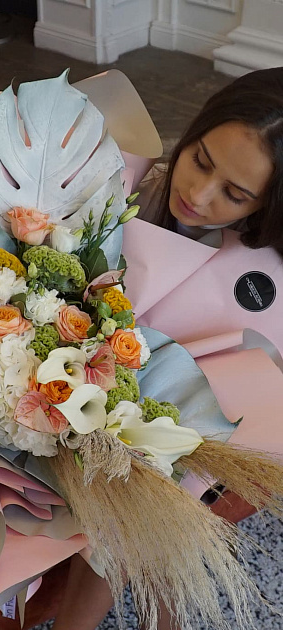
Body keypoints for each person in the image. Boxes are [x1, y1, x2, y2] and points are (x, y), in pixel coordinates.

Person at [52, 66, 283, 630]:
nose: (198, 194)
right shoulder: (128, 186)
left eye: (235, 194)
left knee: (128, 518)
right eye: (200, 159)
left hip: (184, 434)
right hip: (67, 395)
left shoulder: (268, 274)